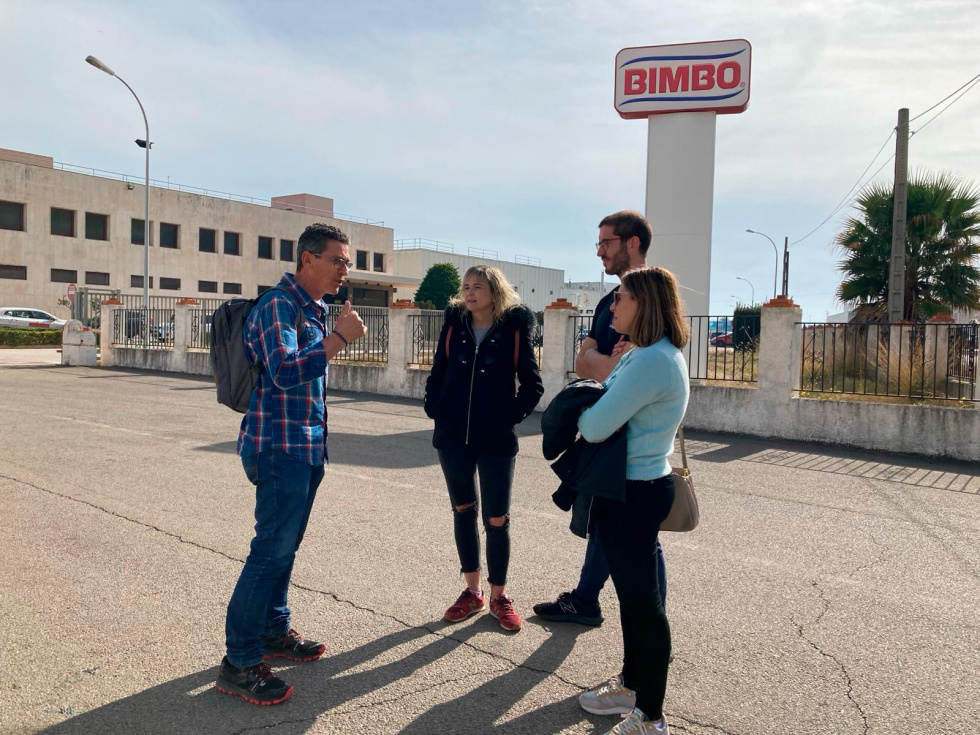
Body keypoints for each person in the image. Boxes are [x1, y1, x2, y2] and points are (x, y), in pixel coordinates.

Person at [216, 223, 367, 705]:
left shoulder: (315, 309)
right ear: (307, 259)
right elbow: (282, 371)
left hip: (306, 446)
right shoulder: (277, 306)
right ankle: (239, 660)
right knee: (270, 551)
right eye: (338, 260)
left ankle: (274, 631)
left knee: (286, 548)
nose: (346, 269)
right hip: (278, 447)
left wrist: (332, 334)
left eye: (348, 261)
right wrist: (339, 340)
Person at [534, 210, 668, 633]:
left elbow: (623, 370)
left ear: (632, 243)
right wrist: (601, 360)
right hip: (607, 427)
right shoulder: (613, 302)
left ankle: (649, 630)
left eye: (605, 243)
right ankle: (587, 599)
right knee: (605, 522)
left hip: (632, 437)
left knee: (640, 538)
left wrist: (601, 362)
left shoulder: (651, 300)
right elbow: (586, 362)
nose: (599, 253)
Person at [577, 266, 690, 735]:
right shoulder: (648, 354)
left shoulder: (650, 361)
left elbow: (594, 425)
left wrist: (584, 406)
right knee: (632, 599)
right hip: (632, 488)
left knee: (643, 606)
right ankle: (631, 686)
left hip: (634, 493)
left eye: (621, 297)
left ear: (644, 303)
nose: (613, 305)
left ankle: (651, 716)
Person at [424, 265, 544, 632]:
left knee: (496, 518)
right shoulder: (454, 325)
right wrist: (436, 407)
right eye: (466, 287)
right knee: (463, 511)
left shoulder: (514, 329)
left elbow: (532, 384)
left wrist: (507, 417)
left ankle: (499, 596)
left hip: (495, 439)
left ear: (495, 291)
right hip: (452, 436)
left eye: (478, 286)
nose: (470, 292)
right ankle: (472, 592)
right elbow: (437, 372)